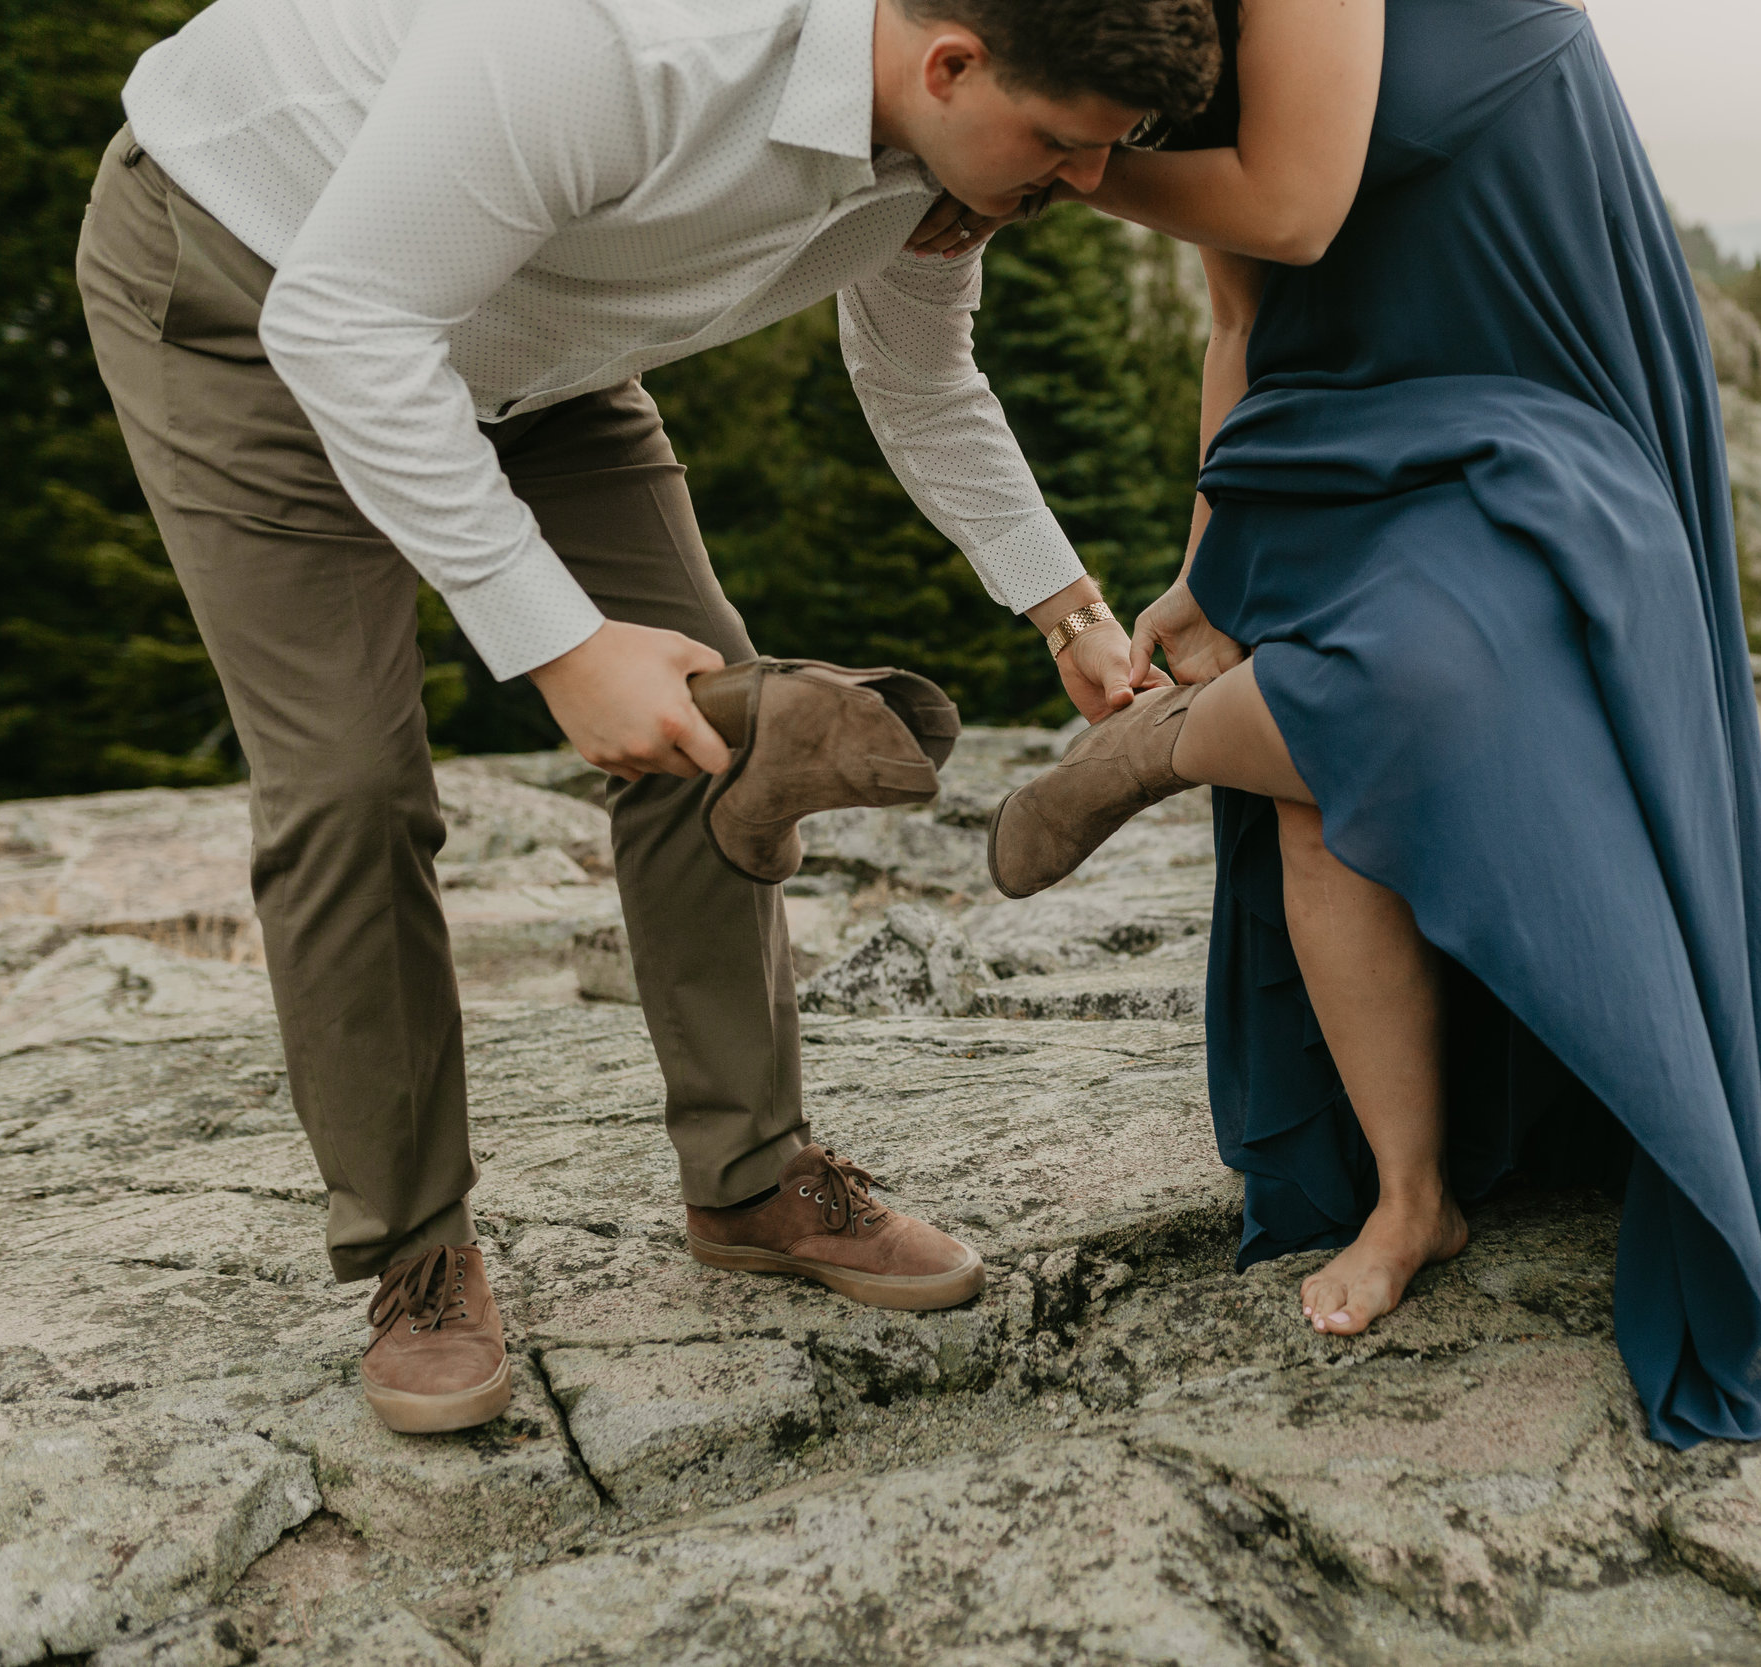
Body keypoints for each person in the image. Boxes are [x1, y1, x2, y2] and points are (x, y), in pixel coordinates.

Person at [74, 0, 1219, 1435]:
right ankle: (415, 1250)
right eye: (1064, 145)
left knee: (710, 718)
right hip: (252, 284)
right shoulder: (622, 41)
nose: (1091, 185)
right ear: (947, 63)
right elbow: (346, 318)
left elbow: (923, 380)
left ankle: (750, 1178)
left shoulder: (949, 159)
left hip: (531, 336)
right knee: (352, 784)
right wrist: (558, 646)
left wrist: (1069, 613)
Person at [977, 0, 1761, 1448]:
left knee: (1401, 693)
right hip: (1339, 431)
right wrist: (1211, 553)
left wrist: (1051, 156)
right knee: (1334, 786)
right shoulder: (1163, 30)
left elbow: (1297, 208)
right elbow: (1244, 312)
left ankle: (1154, 752)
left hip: (1548, 412)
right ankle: (1411, 1192)